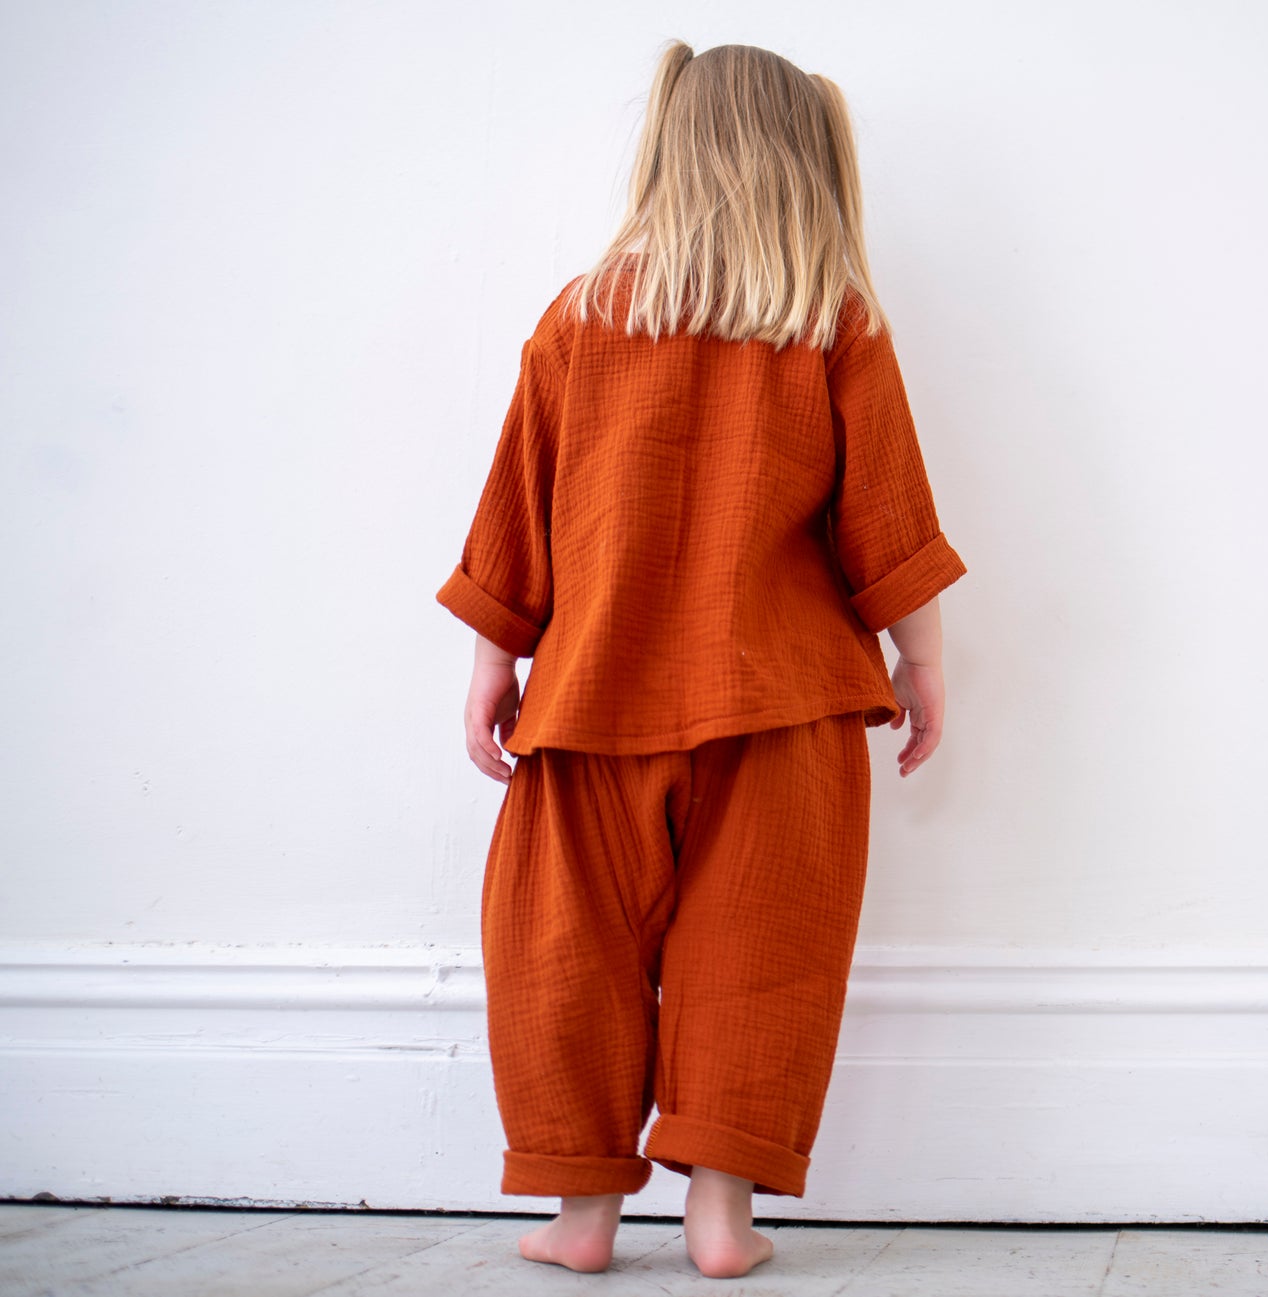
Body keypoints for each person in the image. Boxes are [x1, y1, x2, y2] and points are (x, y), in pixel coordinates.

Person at [433, 38, 966, 1280]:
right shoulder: (832, 322)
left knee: (561, 956)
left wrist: (491, 664)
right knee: (762, 956)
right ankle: (719, 1220)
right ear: (811, 163)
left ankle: (581, 1219)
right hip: (785, 707)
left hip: (589, 701)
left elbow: (517, 509)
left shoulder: (580, 316)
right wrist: (923, 663)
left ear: (667, 148)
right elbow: (889, 516)